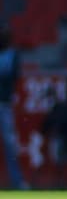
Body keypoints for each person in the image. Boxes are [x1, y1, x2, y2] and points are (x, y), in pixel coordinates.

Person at [0, 25, 27, 189]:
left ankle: (17, 181)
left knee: (10, 144)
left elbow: (14, 76)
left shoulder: (12, 55)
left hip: (5, 104)